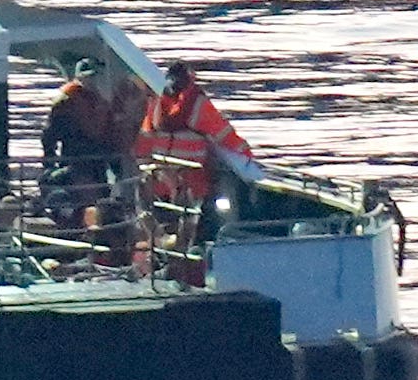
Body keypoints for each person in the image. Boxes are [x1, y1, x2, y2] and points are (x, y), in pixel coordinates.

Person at [135, 61, 257, 277]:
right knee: (189, 223)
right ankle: (179, 263)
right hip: (191, 180)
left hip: (161, 178)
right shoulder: (198, 105)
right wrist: (247, 157)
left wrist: (145, 167)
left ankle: (163, 257)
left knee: (161, 220)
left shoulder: (156, 104)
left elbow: (145, 140)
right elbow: (225, 135)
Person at [40, 64, 147, 231]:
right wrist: (49, 163)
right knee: (75, 198)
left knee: (99, 201)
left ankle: (99, 230)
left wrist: (115, 166)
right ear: (79, 78)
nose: (91, 81)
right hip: (74, 162)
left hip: (98, 165)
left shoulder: (100, 103)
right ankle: (78, 227)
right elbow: (49, 135)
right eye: (88, 77)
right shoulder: (65, 103)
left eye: (94, 77)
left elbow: (109, 136)